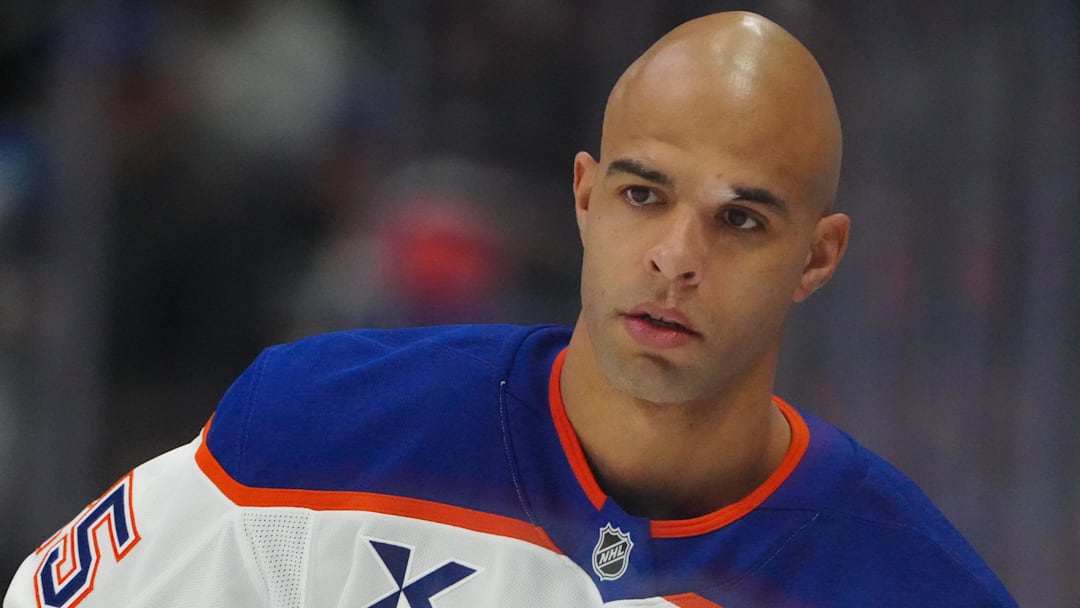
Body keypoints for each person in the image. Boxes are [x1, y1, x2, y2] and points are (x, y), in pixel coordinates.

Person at [4, 11, 1017, 608]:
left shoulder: (909, 582)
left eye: (741, 220)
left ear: (818, 255)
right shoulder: (313, 437)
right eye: (643, 193)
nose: (676, 257)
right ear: (583, 195)